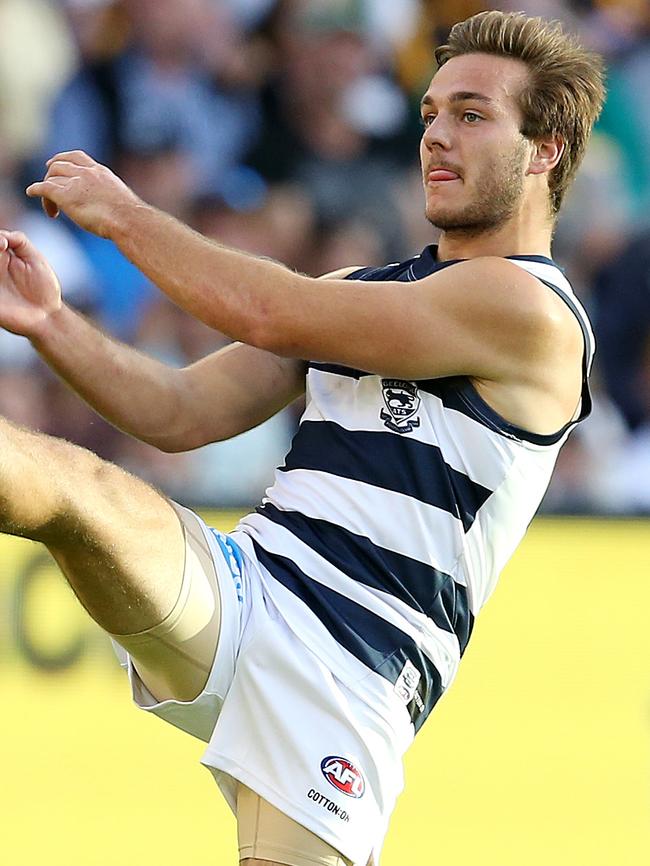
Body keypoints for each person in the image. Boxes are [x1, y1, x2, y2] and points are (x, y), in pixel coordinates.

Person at [0, 11, 605, 866]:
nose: (435, 135)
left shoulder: (530, 312)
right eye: (430, 113)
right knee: (78, 491)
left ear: (545, 149)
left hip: (349, 680)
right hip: (247, 593)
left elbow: (269, 308)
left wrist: (126, 218)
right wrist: (52, 323)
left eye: (471, 115)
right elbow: (176, 410)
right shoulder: (367, 289)